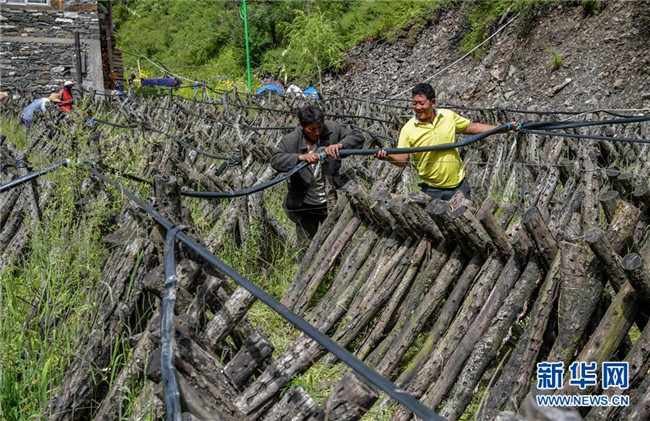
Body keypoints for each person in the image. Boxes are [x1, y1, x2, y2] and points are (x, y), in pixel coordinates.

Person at [377, 83, 511, 201]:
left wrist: (503, 128)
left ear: (433, 102)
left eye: (421, 103)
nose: (417, 107)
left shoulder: (447, 116)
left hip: (459, 186)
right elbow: (402, 160)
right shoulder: (408, 129)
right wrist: (387, 156)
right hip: (432, 190)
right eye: (414, 103)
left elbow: (473, 127)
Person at [271, 105, 364, 248]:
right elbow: (276, 160)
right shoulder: (290, 141)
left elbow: (358, 136)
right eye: (312, 129)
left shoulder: (333, 129)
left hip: (332, 201)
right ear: (302, 126)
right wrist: (300, 158)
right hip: (305, 205)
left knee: (337, 245)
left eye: (320, 127)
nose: (317, 132)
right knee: (305, 247)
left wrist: (340, 145)